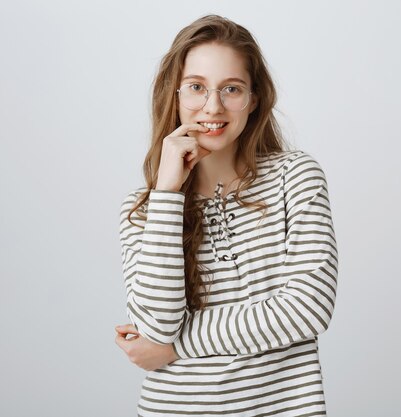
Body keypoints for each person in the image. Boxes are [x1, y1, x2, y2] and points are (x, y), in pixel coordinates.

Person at [114, 14, 339, 417]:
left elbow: (307, 309)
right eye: (197, 87)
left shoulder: (296, 177)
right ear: (175, 94)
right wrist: (167, 193)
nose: (212, 106)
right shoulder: (144, 210)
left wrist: (175, 347)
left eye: (231, 89)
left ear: (253, 99)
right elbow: (156, 326)